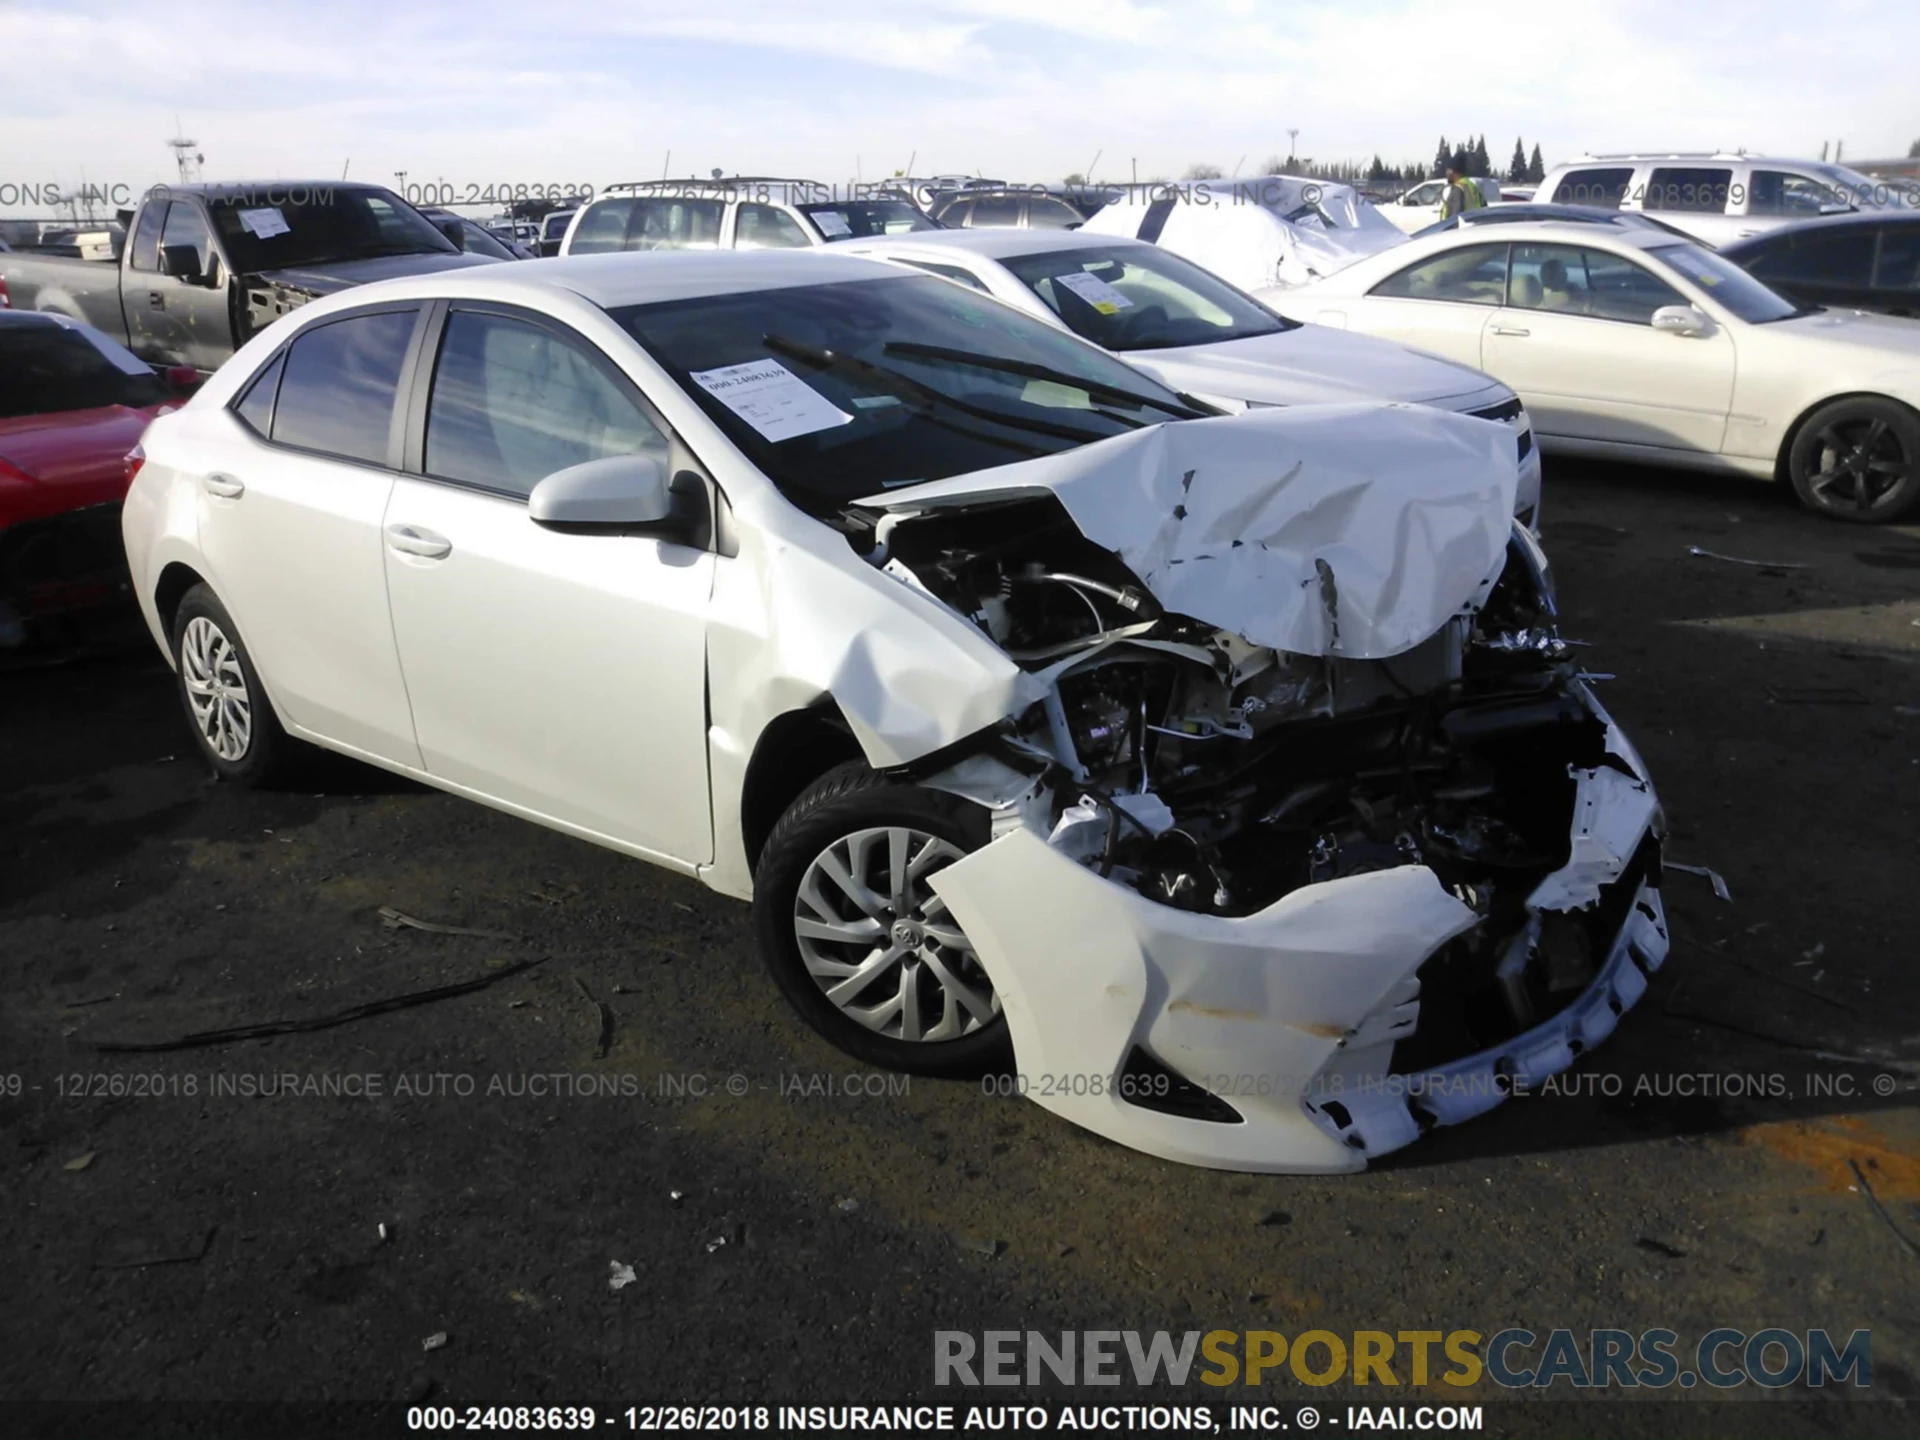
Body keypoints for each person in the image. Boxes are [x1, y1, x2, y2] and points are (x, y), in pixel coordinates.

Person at [1440, 153, 1486, 221]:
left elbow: (1455, 218)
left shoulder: (1458, 189)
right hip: (1473, 227)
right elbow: (1484, 208)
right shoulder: (1472, 187)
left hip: (1457, 230)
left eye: (1448, 170)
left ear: (1452, 171)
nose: (1446, 173)